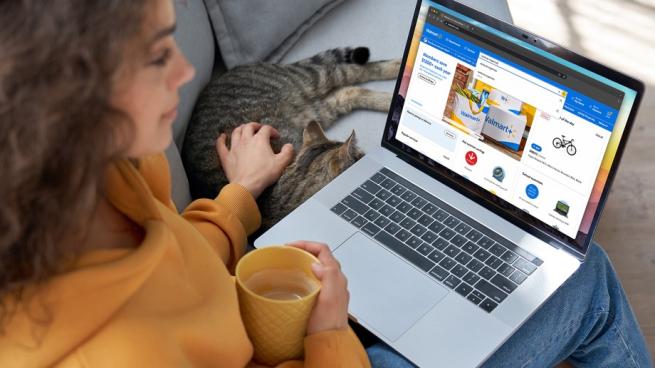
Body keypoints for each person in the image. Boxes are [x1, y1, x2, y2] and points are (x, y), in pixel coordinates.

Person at [0, 0, 650, 367]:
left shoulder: (107, 171)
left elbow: (169, 266)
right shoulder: (120, 356)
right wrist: (330, 332)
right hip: (316, 351)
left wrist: (237, 198)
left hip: (273, 321)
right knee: (582, 275)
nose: (185, 70)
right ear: (71, 101)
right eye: (157, 54)